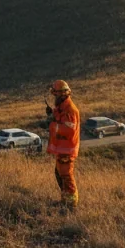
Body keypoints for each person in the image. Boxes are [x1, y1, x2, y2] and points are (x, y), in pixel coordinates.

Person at [44, 79, 81, 210]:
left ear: (62, 94)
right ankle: (65, 200)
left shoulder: (70, 110)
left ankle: (71, 205)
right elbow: (59, 118)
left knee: (66, 175)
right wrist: (51, 115)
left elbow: (68, 130)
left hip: (67, 149)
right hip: (62, 149)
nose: (54, 97)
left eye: (56, 94)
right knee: (59, 174)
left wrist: (51, 124)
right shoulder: (62, 107)